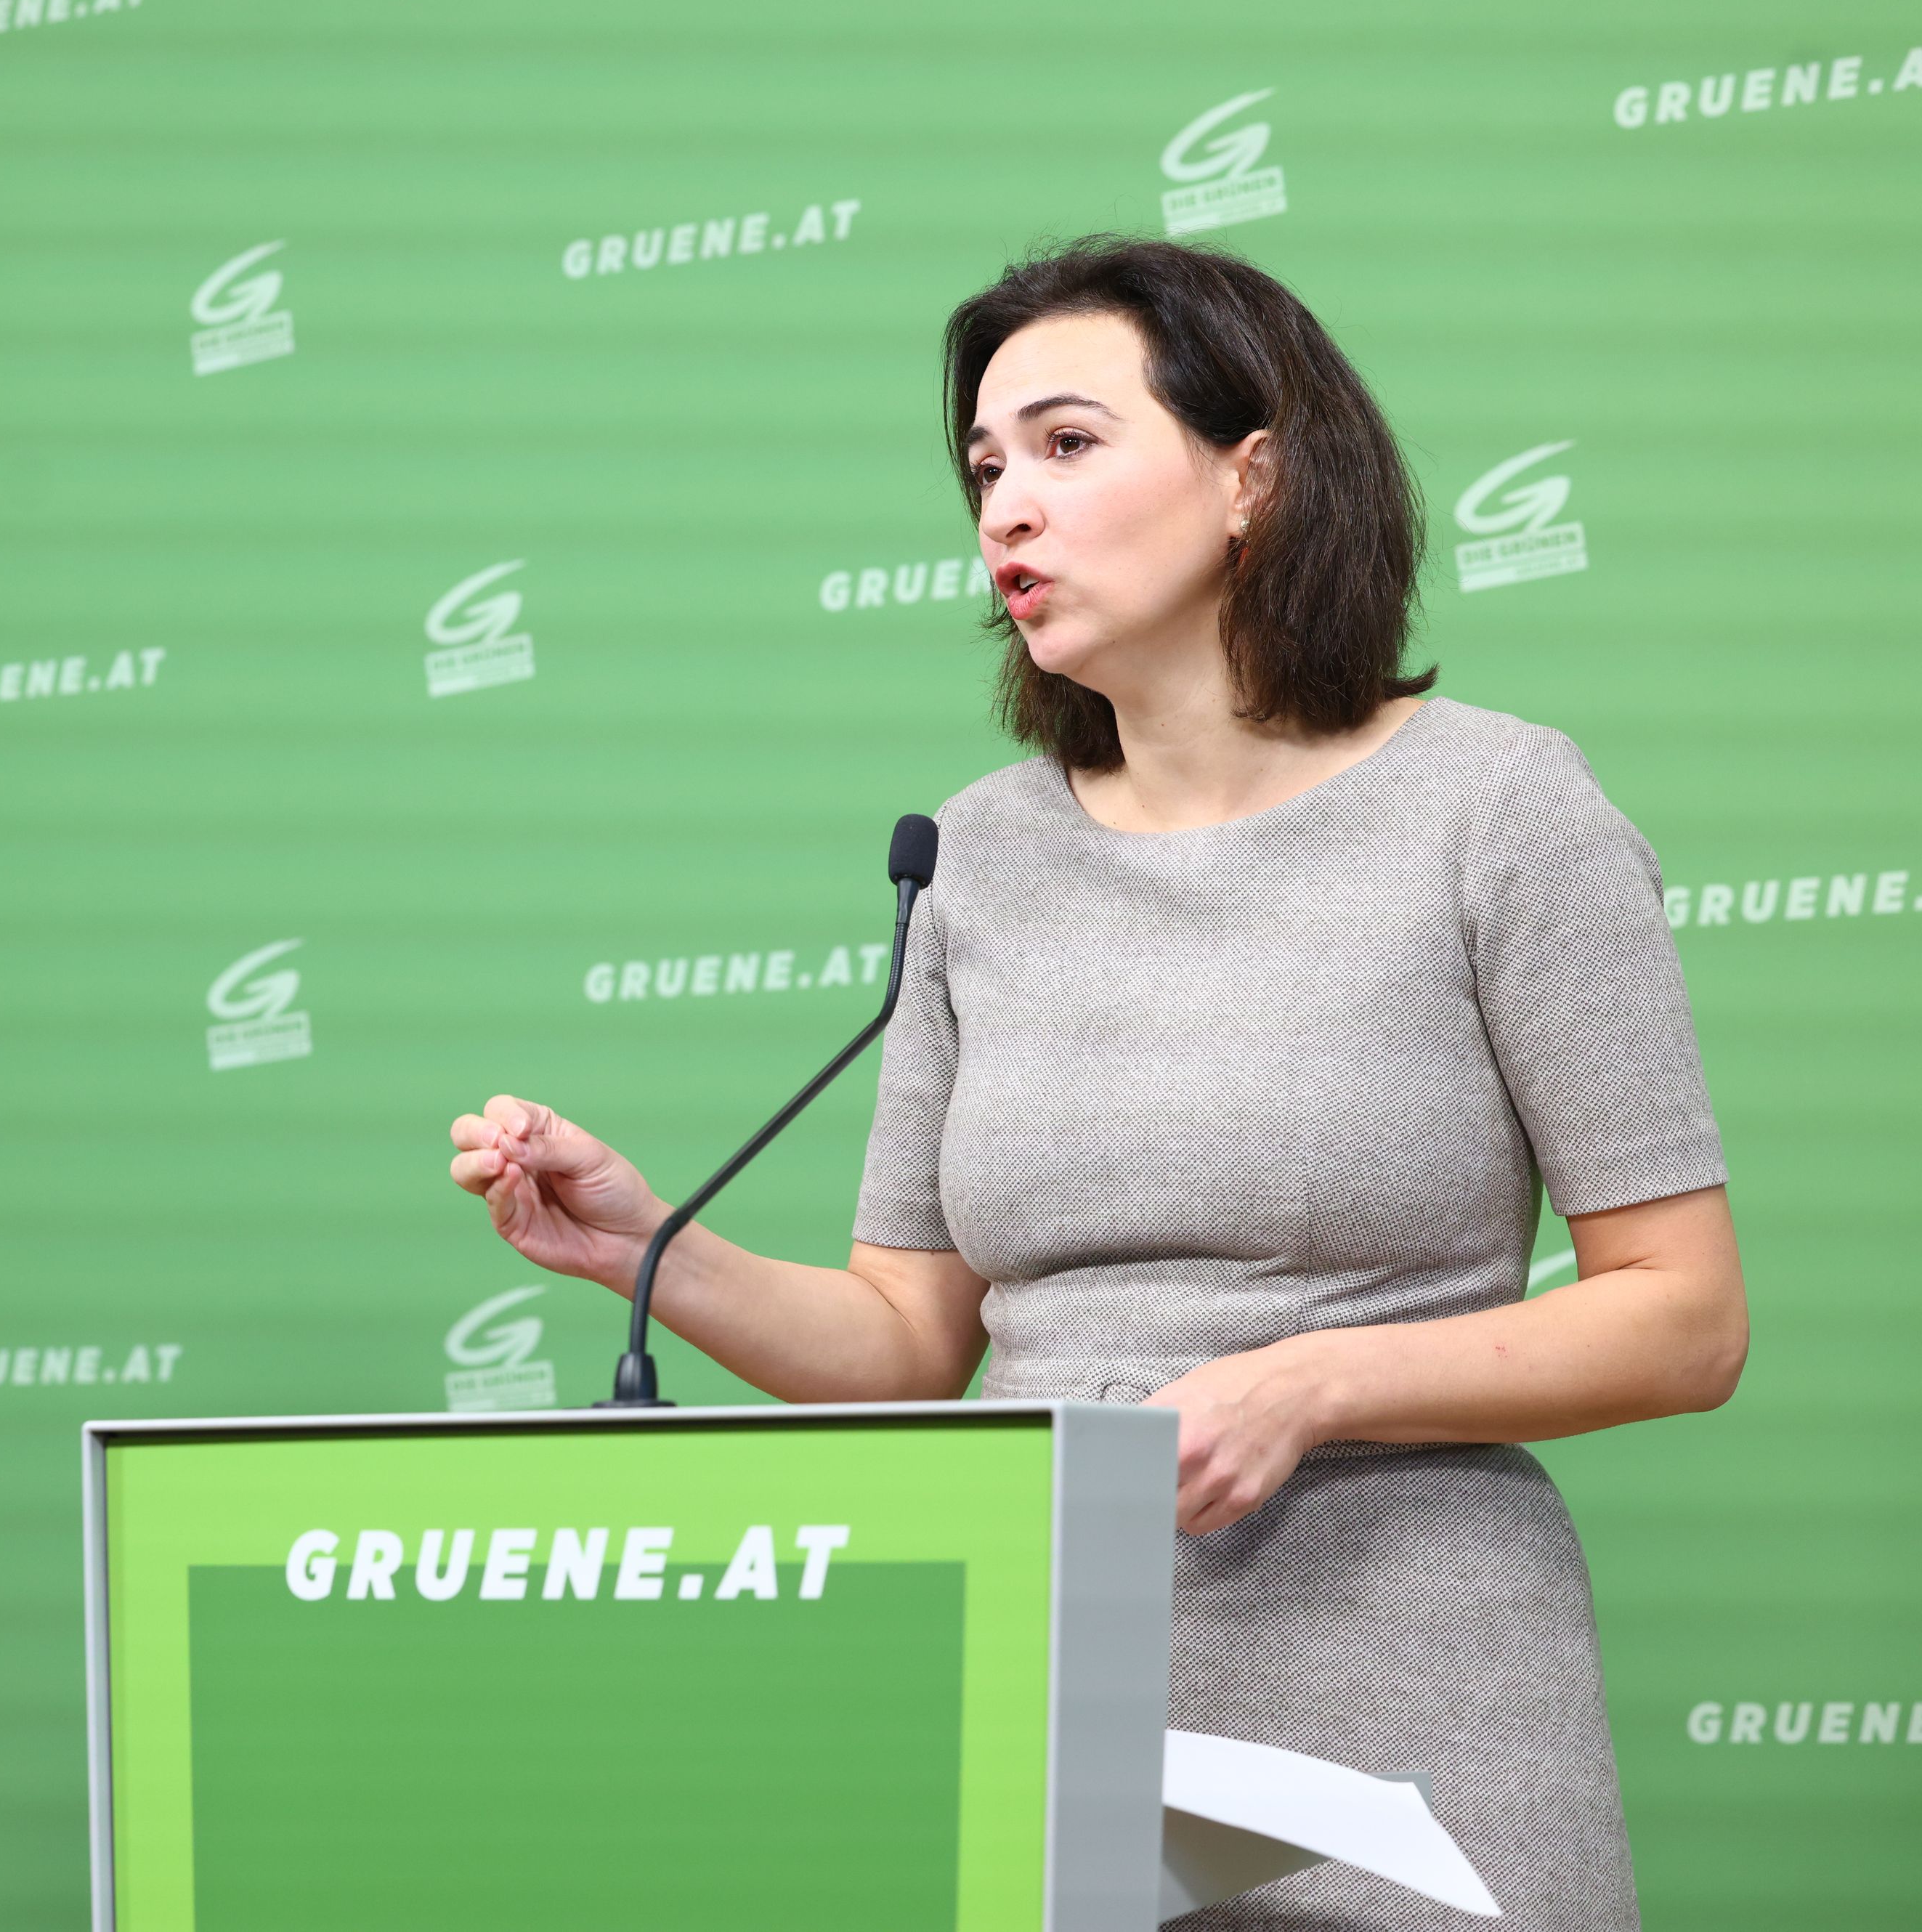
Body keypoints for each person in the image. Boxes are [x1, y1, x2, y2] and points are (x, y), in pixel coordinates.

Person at [446, 239, 1744, 1930]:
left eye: (1063, 445)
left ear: (1247, 480)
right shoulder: (972, 857)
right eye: (983, 467)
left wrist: (1307, 1382)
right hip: (1045, 1682)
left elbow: (1680, 1315)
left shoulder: (1500, 811)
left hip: (1410, 1701)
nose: (1003, 510)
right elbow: (907, 1344)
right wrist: (645, 1248)